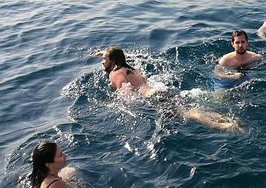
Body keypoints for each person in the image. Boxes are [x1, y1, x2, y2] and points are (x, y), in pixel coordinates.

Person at [101, 46, 241, 131]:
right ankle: (225, 118)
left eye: (104, 58)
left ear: (112, 61)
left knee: (188, 114)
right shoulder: (129, 69)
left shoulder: (115, 74)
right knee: (191, 109)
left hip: (154, 98)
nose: (102, 61)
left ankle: (225, 127)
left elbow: (126, 95)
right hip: (161, 91)